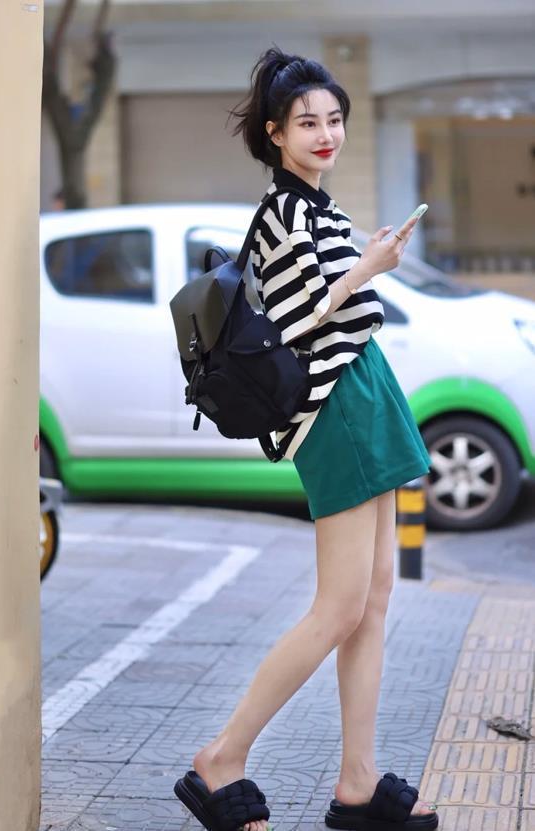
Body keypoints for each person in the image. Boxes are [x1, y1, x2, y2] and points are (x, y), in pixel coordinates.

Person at [173, 48, 439, 831]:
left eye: (332, 120)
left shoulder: (317, 205)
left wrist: (364, 263)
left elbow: (330, 302)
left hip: (362, 385)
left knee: (374, 596)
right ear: (274, 134)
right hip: (332, 405)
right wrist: (369, 268)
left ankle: (357, 779)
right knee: (337, 605)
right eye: (305, 123)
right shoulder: (284, 212)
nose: (324, 133)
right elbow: (298, 320)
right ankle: (222, 755)